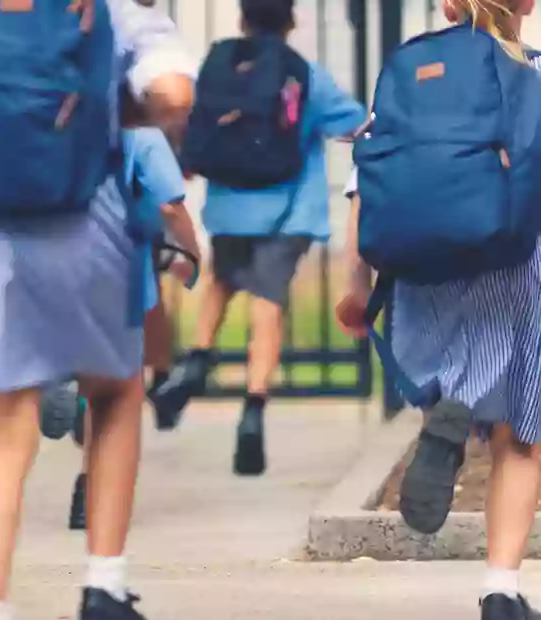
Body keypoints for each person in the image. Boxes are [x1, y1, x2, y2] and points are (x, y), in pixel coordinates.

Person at [0, 3, 197, 620]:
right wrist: (118, 112)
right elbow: (173, 91)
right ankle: (105, 587)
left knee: (4, 419)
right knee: (116, 391)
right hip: (81, 220)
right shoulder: (115, 12)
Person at [337, 1, 541, 617]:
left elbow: (365, 185)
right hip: (516, 261)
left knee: (447, 371)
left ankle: (445, 406)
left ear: (448, 4)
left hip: (424, 268)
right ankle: (501, 592)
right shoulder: (532, 75)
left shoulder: (410, 70)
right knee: (521, 441)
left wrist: (356, 285)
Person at [151, 0, 366, 477]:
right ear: (290, 21)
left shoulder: (221, 64)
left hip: (229, 207)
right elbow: (354, 124)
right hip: (287, 212)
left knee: (221, 282)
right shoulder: (303, 73)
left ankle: (199, 357)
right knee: (268, 303)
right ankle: (252, 410)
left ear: (242, 19)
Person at [42, 126, 200, 532]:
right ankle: (87, 492)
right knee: (110, 389)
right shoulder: (142, 136)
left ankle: (59, 383)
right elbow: (171, 208)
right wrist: (191, 254)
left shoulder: (48, 112)